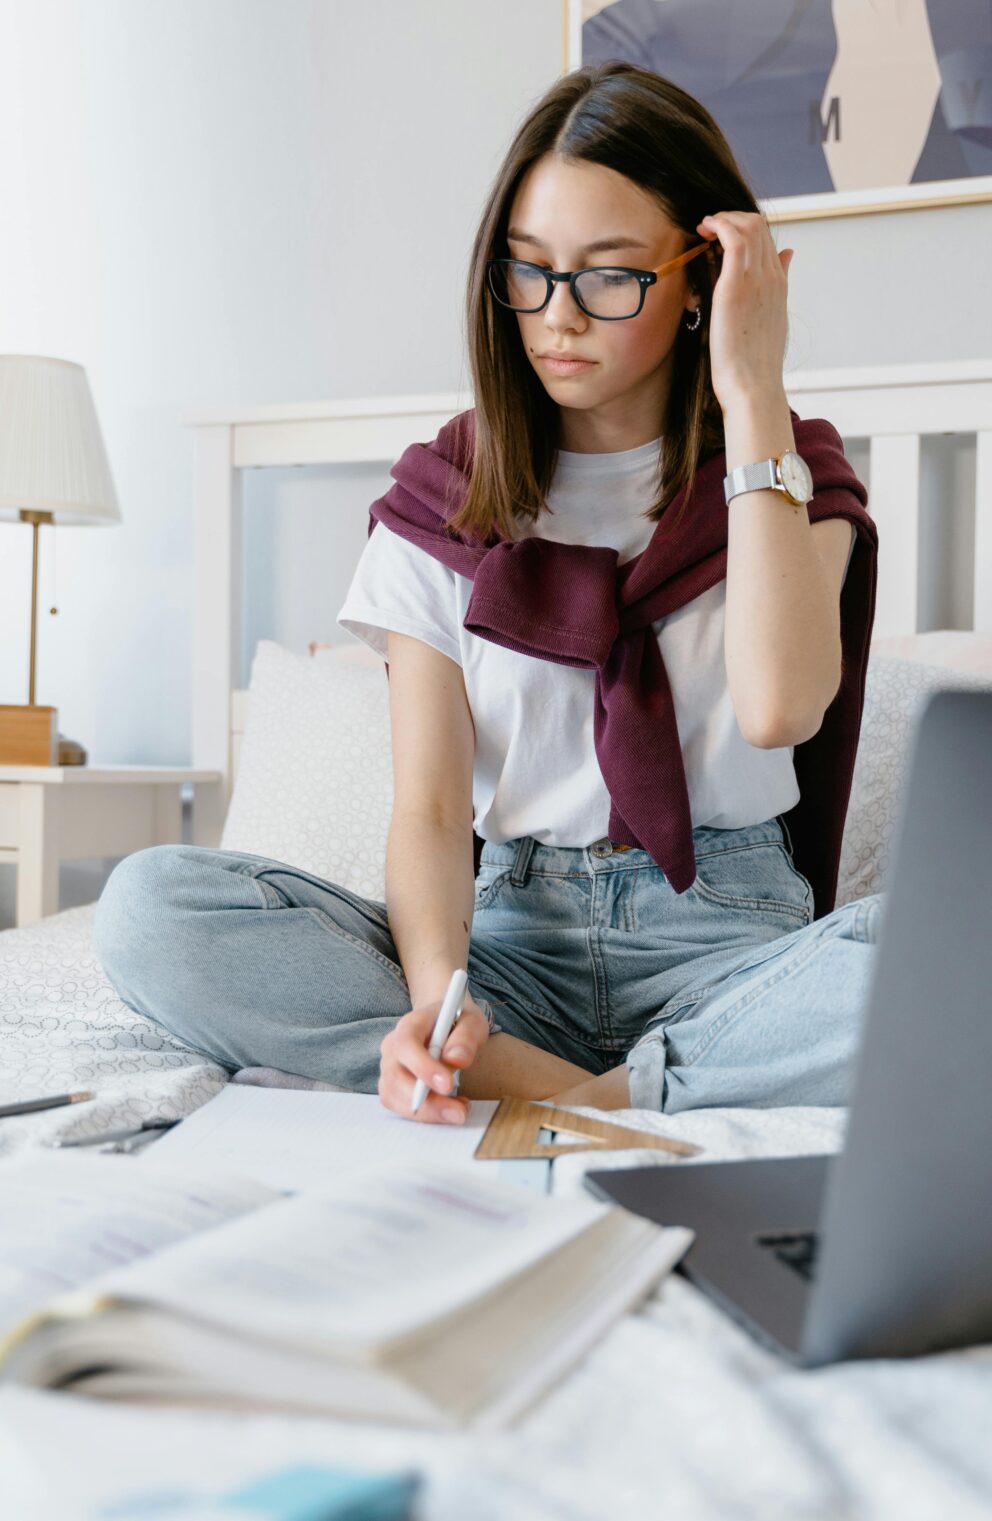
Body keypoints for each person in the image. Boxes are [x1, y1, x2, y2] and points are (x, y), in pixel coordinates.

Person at [92, 62, 881, 1127]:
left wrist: (752, 394)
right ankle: (567, 1084)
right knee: (150, 908)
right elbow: (426, 808)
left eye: (608, 277)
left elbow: (779, 709)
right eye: (528, 271)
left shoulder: (786, 479)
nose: (556, 317)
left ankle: (598, 1097)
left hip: (728, 957)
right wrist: (436, 1005)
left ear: (700, 278)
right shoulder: (444, 502)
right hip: (510, 958)